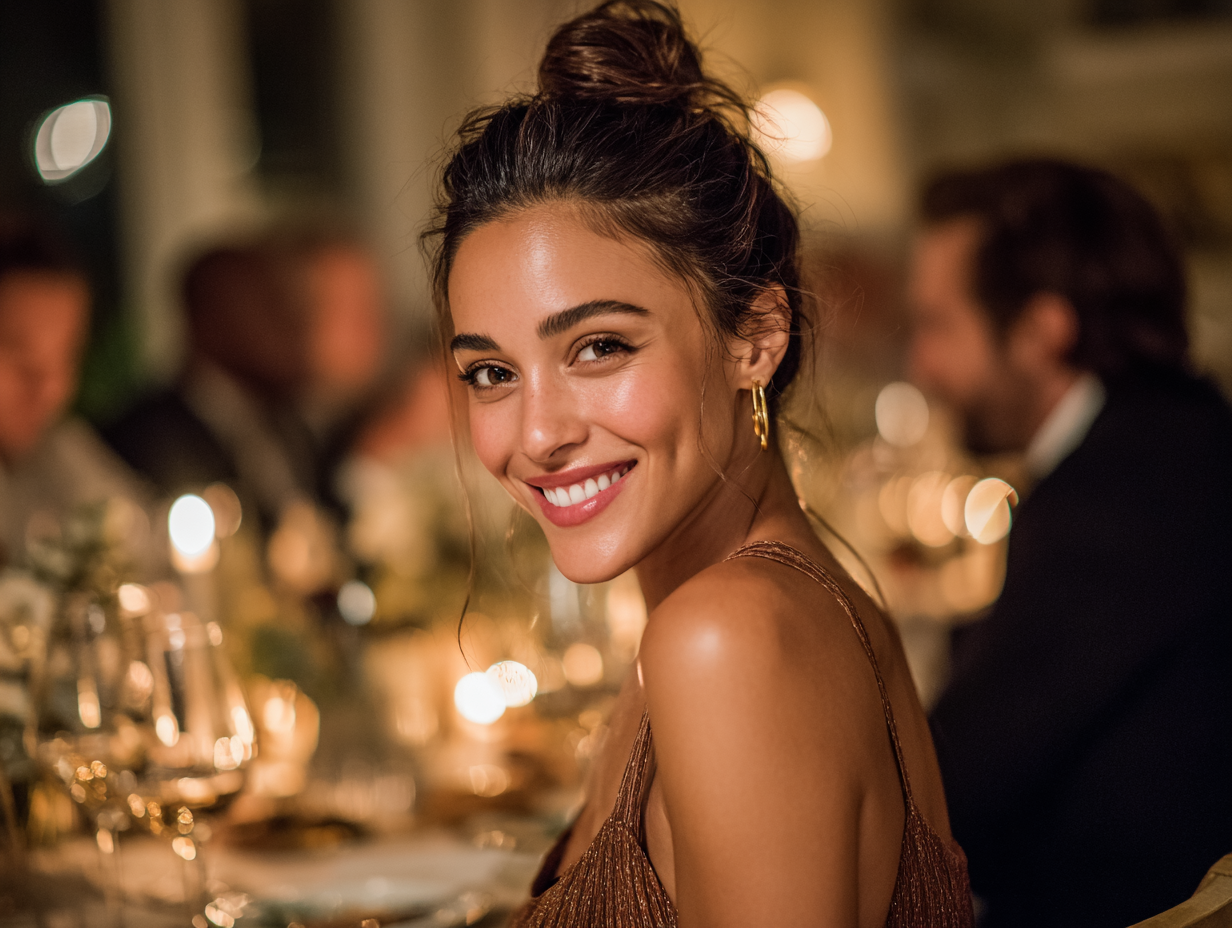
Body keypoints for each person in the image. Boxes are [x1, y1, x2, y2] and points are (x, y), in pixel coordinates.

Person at [424, 3, 973, 926]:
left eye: (599, 347)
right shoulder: (747, 607)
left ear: (754, 337)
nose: (537, 434)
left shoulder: (728, 639)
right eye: (491, 372)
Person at [909, 158, 1232, 928]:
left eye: (936, 325)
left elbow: (951, 796)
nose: (922, 365)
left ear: (1042, 330)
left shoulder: (1117, 496)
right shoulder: (1184, 437)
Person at [104, 226, 387, 535]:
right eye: (266, 305)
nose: (291, 325)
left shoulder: (290, 421)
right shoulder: (148, 439)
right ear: (208, 321)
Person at [0, 213, 147, 566]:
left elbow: (141, 542)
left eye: (66, 358)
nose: (52, 391)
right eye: (23, 360)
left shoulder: (59, 447)